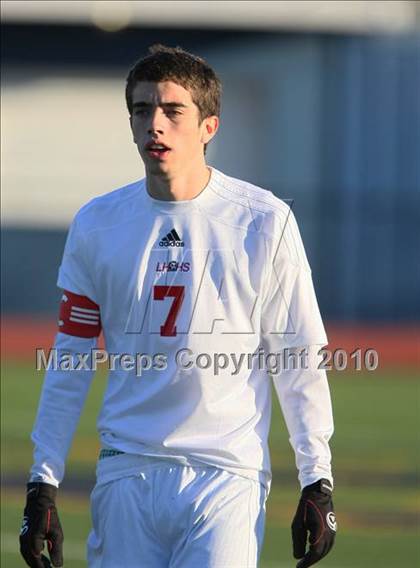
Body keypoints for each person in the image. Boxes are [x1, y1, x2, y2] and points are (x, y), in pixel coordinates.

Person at [19, 44, 336, 568]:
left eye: (172, 110)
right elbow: (70, 360)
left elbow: (298, 354)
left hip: (227, 475)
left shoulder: (264, 221)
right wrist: (42, 481)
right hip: (127, 470)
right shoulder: (97, 224)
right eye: (142, 111)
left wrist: (316, 478)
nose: (155, 125)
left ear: (209, 126)